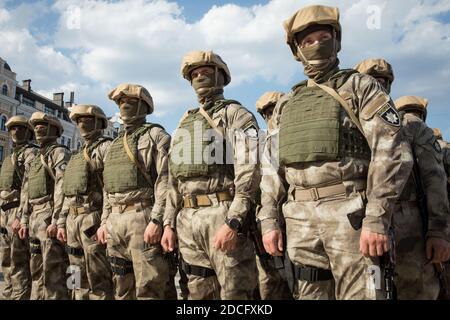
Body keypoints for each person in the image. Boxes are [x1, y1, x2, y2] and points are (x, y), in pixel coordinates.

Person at [259, 5, 413, 300]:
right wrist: (269, 221)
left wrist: (377, 219)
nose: (316, 44)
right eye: (307, 41)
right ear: (296, 50)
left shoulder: (360, 86)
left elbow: (391, 151)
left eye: (323, 36)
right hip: (299, 221)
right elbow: (271, 169)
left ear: (336, 40)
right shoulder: (286, 103)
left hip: (350, 215)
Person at [161, 50, 260, 299]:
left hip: (222, 213)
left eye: (206, 71)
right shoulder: (185, 123)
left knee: (235, 293)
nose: (200, 76)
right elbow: (173, 179)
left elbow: (249, 171)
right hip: (187, 220)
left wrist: (234, 221)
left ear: (221, 76)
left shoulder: (236, 115)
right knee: (197, 293)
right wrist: (168, 223)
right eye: (195, 74)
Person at [97, 84, 174, 300]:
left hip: (142, 219)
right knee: (122, 289)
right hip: (114, 222)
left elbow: (165, 181)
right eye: (121, 102)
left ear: (144, 105)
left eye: (130, 101)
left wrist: (157, 220)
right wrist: (104, 221)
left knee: (150, 289)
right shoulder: (113, 145)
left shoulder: (156, 136)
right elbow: (107, 187)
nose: (124, 105)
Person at [56, 104, 114, 300]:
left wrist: (105, 222)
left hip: (92, 220)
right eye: (79, 120)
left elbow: (110, 189)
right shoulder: (76, 155)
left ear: (99, 123)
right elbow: (67, 192)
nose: (82, 124)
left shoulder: (107, 148)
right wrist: (62, 222)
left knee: (98, 278)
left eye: (87, 120)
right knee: (75, 275)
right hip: (72, 222)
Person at [19, 112, 71, 299]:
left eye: (43, 124)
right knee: (36, 271)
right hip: (34, 218)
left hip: (49, 217)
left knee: (53, 273)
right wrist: (24, 219)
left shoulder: (59, 152)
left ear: (55, 130)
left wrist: (57, 220)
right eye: (37, 125)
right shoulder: (34, 157)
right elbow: (26, 190)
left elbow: (62, 187)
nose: (39, 128)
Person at [0, 115, 36, 299]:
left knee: (18, 264)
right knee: (6, 263)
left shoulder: (31, 154)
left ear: (29, 132)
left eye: (20, 128)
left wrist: (21, 218)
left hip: (17, 212)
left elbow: (29, 188)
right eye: (13, 128)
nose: (15, 132)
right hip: (4, 213)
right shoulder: (10, 157)